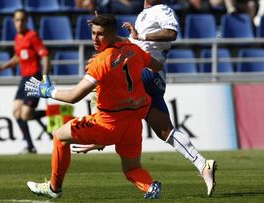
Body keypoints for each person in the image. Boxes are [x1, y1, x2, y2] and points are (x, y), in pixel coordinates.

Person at [72, 0, 217, 196]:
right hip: (151, 76)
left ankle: (100, 135)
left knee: (103, 79)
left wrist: (141, 35)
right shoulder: (143, 15)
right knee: (165, 131)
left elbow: (171, 33)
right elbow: (133, 43)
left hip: (145, 71)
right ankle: (202, 164)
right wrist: (105, 28)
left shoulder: (162, 9)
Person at [24, 13, 164, 199]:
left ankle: (54, 188)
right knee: (132, 168)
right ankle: (150, 186)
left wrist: (49, 92)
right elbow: (156, 66)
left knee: (59, 136)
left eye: (101, 34)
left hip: (107, 124)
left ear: (112, 34)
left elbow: (74, 96)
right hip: (132, 123)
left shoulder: (100, 62)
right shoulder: (134, 50)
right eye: (93, 33)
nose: (95, 39)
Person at [0, 9, 50, 154]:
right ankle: (30, 146)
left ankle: (52, 113)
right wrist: (3, 66)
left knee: (25, 115)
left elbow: (44, 54)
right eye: (16, 20)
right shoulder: (17, 38)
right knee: (16, 112)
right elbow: (18, 57)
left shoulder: (32, 36)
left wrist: (44, 77)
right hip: (24, 78)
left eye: (21, 20)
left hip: (34, 78)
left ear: (26, 21)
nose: (19, 23)